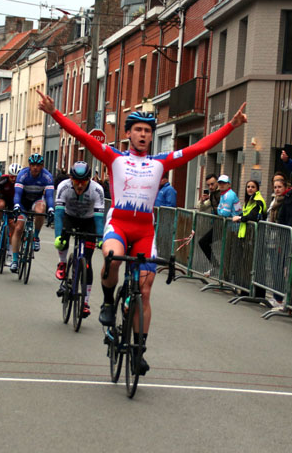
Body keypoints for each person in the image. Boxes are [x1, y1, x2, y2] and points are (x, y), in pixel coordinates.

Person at [38, 88, 247, 375]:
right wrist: (54, 113)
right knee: (111, 258)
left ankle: (139, 350)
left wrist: (231, 126)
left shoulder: (160, 162)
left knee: (145, 292)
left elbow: (198, 149)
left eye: (148, 131)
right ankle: (109, 303)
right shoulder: (114, 158)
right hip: (120, 225)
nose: (143, 134)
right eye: (138, 130)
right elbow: (84, 137)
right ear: (129, 134)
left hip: (145, 230)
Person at [53, 161, 105, 318]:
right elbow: (59, 215)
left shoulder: (97, 190)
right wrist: (58, 237)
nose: (80, 185)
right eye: (76, 181)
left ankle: (86, 302)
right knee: (63, 238)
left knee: (87, 262)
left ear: (89, 179)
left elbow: (98, 219)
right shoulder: (64, 187)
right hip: (69, 217)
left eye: (84, 181)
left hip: (89, 221)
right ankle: (62, 263)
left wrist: (101, 239)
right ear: (71, 179)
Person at [10, 153, 55, 273]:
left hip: (36, 200)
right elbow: (17, 194)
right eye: (33, 165)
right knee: (18, 228)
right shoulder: (22, 175)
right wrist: (17, 205)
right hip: (23, 202)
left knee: (41, 210)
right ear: (29, 165)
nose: (35, 167)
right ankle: (14, 260)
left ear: (42, 166)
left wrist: (51, 208)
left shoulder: (47, 176)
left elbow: (50, 196)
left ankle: (35, 237)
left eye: (38, 165)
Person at [199, 174, 242, 270]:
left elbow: (224, 213)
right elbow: (202, 207)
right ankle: (218, 268)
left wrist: (220, 210)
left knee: (230, 251)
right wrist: (202, 201)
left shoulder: (227, 195)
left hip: (230, 226)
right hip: (221, 224)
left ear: (228, 184)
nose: (210, 187)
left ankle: (225, 272)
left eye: (212, 184)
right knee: (205, 243)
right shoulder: (216, 195)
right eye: (208, 185)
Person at [0, 163, 21, 246]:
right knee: (0, 206)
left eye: (16, 177)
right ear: (9, 175)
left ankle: (10, 253)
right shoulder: (2, 180)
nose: (14, 179)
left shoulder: (21, 182)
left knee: (13, 226)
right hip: (3, 197)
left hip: (14, 201)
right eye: (12, 177)